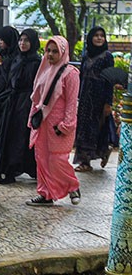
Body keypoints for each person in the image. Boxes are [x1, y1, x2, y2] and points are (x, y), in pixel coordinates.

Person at [26, 36, 81, 206]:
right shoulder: (45, 70)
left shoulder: (70, 74)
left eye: (55, 51)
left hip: (59, 126)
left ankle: (73, 186)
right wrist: (32, 119)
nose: (50, 54)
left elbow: (72, 102)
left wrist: (66, 126)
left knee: (57, 160)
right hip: (42, 123)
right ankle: (46, 194)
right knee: (41, 159)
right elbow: (37, 99)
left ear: (63, 52)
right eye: (48, 50)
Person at [0, 28, 41, 183]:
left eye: (26, 40)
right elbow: (8, 79)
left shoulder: (36, 62)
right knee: (10, 134)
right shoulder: (17, 59)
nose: (22, 43)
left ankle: (24, 167)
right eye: (21, 40)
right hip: (13, 100)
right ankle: (8, 168)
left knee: (22, 135)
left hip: (27, 101)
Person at [74, 26, 115, 172]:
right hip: (86, 98)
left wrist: (108, 103)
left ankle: (104, 151)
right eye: (96, 35)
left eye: (102, 36)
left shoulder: (107, 57)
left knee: (98, 128)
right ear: (90, 37)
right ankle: (85, 162)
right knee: (84, 129)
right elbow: (80, 77)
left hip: (100, 98)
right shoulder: (86, 56)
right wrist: (77, 97)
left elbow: (110, 80)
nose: (99, 38)